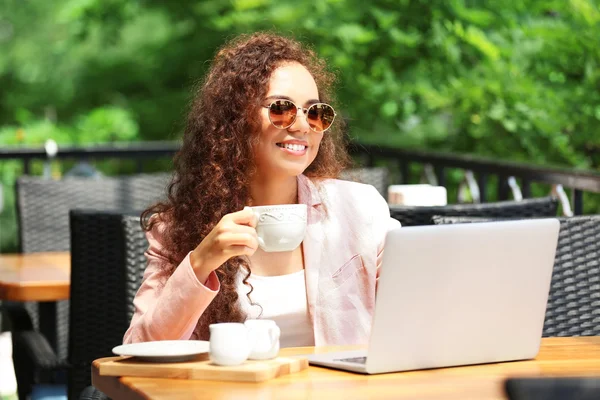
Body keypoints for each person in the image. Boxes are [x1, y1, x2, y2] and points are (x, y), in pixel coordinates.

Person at [123, 32, 400, 347]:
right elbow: (139, 349)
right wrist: (201, 262)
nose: (301, 125)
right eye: (281, 109)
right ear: (236, 119)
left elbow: (412, 313)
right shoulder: (178, 228)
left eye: (315, 112)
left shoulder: (360, 209)